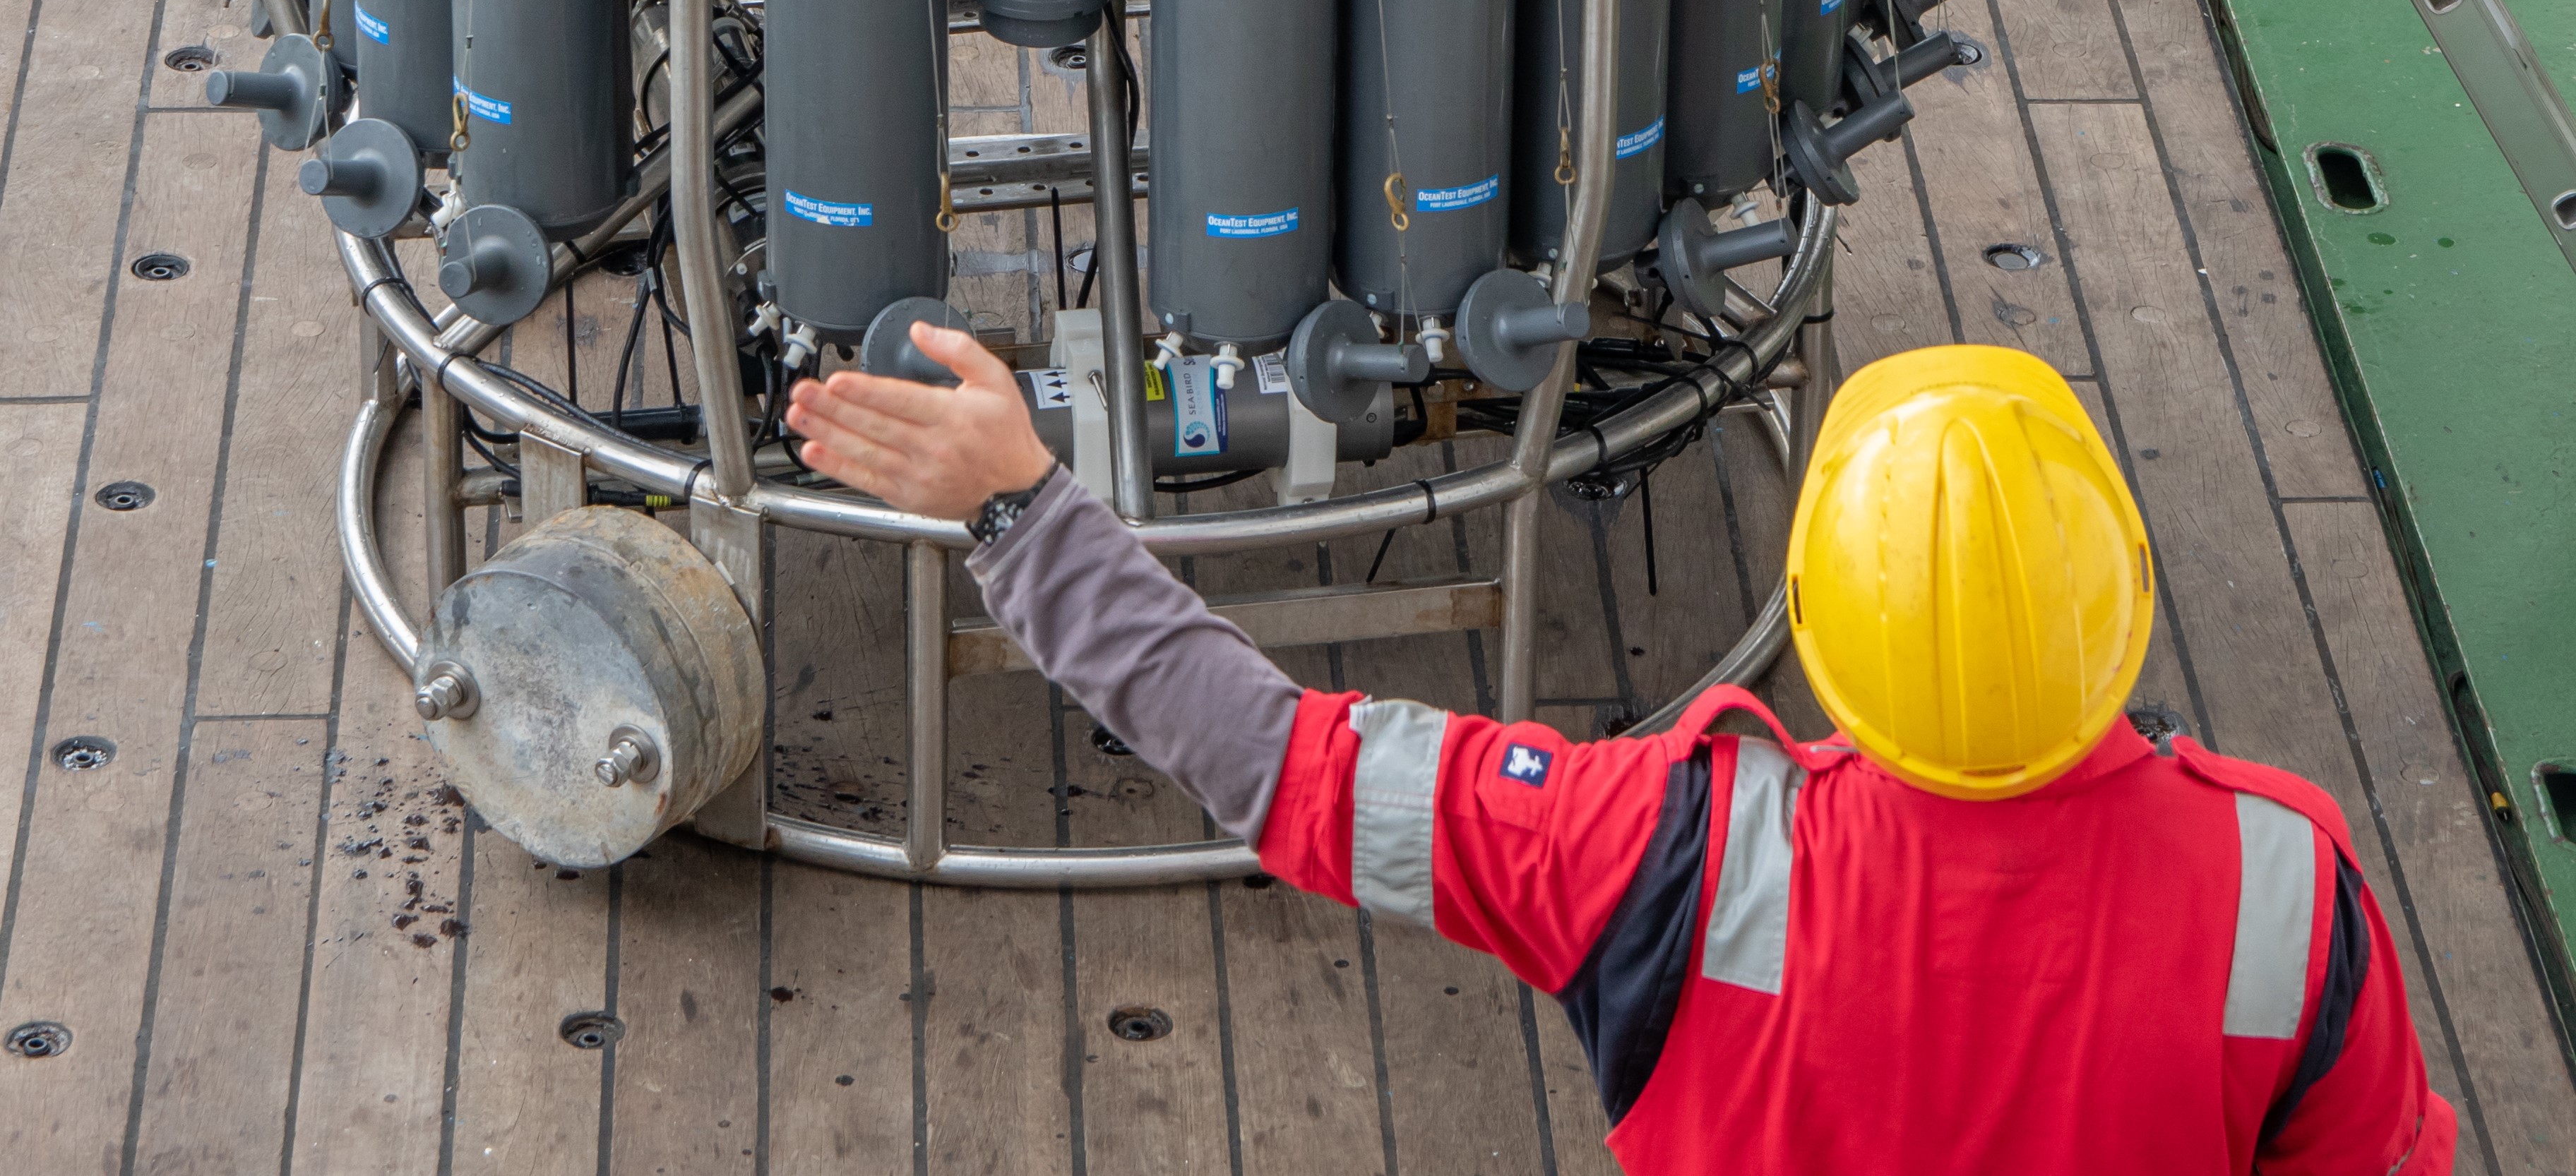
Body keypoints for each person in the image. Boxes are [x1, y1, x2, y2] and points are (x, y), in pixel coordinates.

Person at [785, 330, 2453, 1175]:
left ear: (1818, 617)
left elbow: (1274, 759)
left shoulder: (1666, 851)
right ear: (2123, 598)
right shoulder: (2286, 897)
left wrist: (1018, 505)